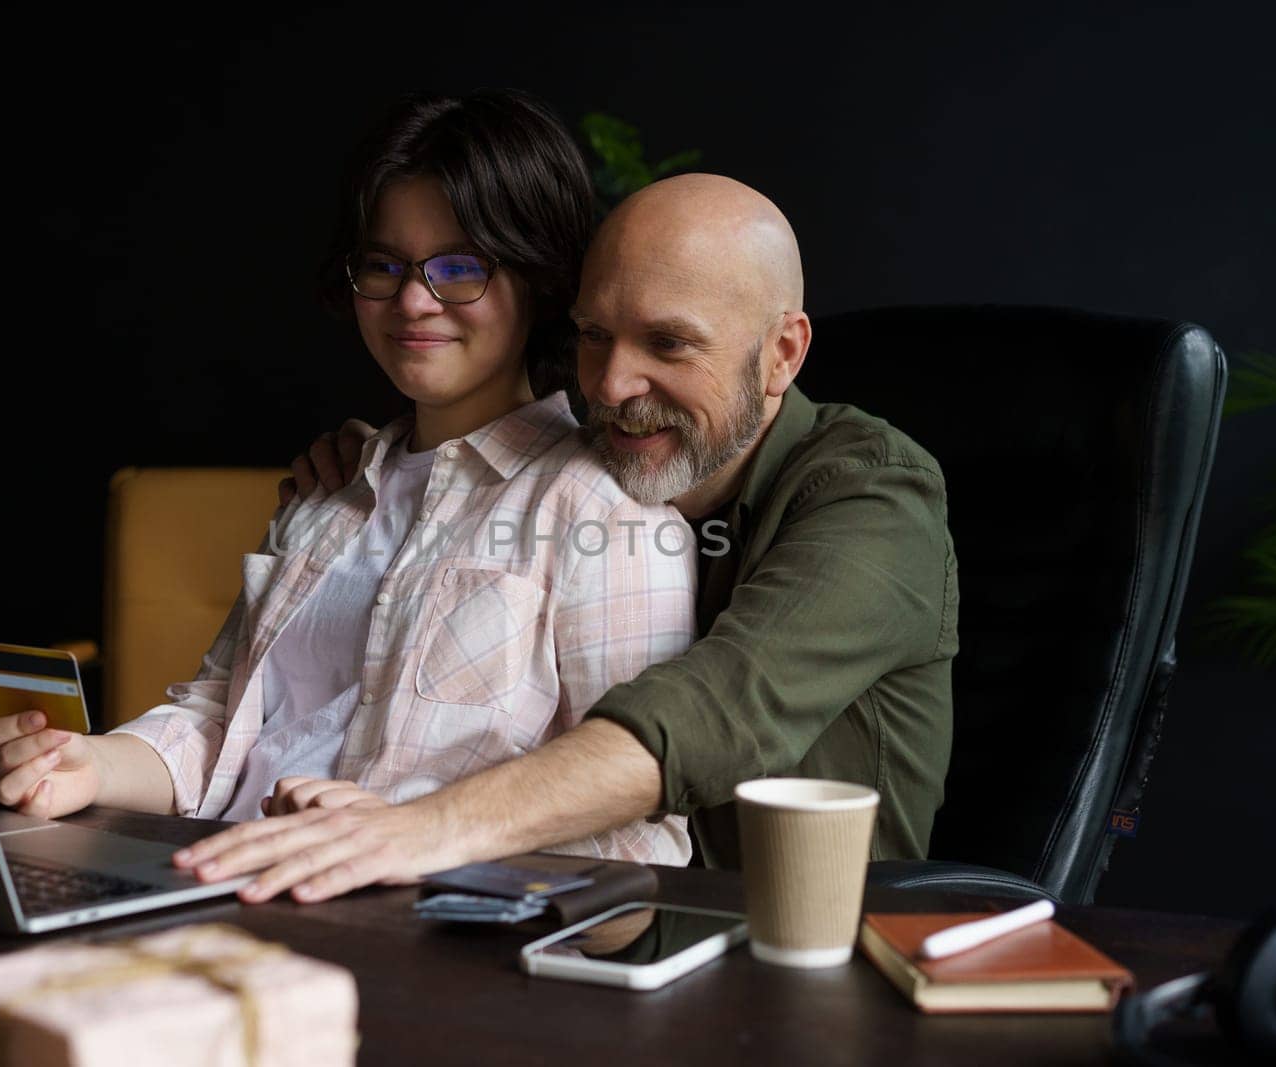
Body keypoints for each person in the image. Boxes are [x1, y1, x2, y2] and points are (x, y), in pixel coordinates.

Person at [160, 172, 957, 906]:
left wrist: (418, 829)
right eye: (595, 335)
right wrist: (385, 479)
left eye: (669, 344)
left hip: (806, 950)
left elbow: (712, 709)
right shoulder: (604, 462)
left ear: (782, 353)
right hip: (594, 923)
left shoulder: (874, 498)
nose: (611, 385)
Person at [0, 89, 697, 866]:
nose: (414, 301)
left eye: (460, 267)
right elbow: (218, 723)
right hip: (213, 879)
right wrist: (87, 765)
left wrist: (406, 833)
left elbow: (641, 833)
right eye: (384, 266)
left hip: (408, 938)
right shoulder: (331, 490)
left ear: (543, 279)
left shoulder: (605, 508)